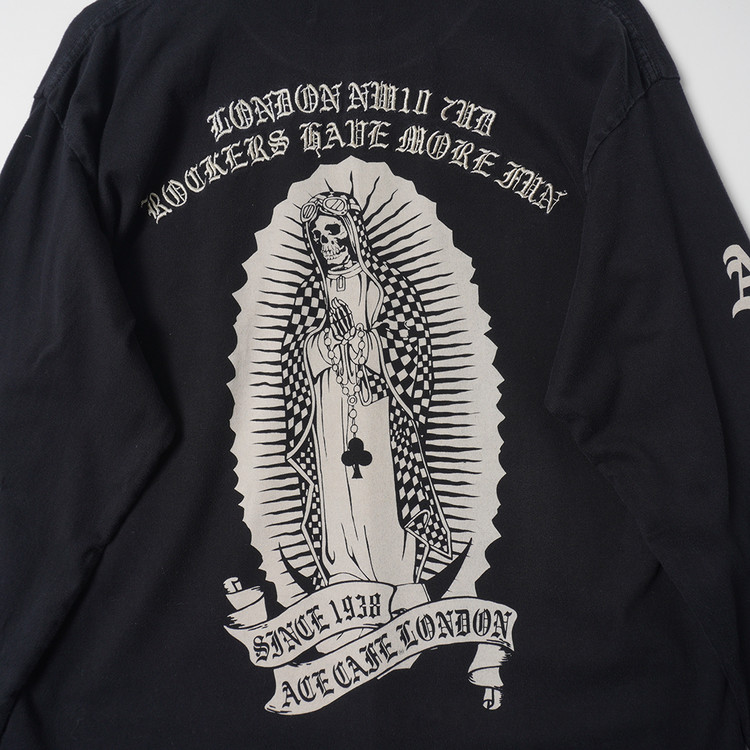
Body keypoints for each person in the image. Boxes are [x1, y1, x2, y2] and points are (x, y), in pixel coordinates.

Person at [280, 189, 452, 590]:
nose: (327, 243)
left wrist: (363, 342)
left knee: (382, 496)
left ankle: (396, 579)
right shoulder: (310, 293)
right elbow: (292, 358)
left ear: (353, 232)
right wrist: (326, 341)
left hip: (379, 408)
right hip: (327, 409)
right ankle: (343, 578)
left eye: (334, 231)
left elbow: (411, 345)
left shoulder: (388, 286)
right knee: (336, 497)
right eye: (318, 236)